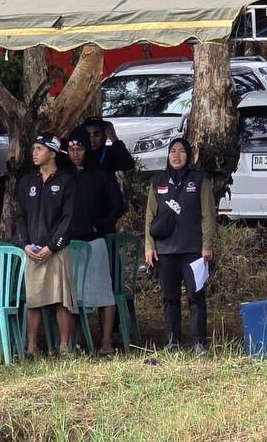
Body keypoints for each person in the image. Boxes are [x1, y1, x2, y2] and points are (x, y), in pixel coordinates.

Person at [144, 138, 217, 351]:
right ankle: (172, 341)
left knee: (196, 296)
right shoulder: (158, 180)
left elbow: (208, 215)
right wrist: (149, 246)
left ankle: (198, 342)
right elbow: (150, 216)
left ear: (189, 155)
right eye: (173, 151)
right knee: (169, 297)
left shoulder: (200, 180)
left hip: (193, 249)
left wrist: (207, 244)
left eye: (182, 151)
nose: (177, 156)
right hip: (166, 250)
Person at [66, 129, 127, 354]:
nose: (75, 154)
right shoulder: (64, 175)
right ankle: (72, 343)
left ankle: (106, 341)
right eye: (71, 150)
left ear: (87, 149)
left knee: (103, 292)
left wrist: (99, 225)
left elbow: (118, 206)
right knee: (71, 295)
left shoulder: (101, 173)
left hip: (95, 241)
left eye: (79, 149)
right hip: (70, 243)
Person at [15, 134, 75, 356]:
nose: (34, 153)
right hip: (33, 249)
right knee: (34, 300)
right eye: (33, 148)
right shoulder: (27, 182)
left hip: (56, 249)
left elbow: (68, 218)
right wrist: (25, 245)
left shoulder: (66, 180)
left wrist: (52, 246)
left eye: (39, 148)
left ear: (52, 153)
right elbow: (20, 216)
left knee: (61, 300)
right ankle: (31, 349)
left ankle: (63, 347)